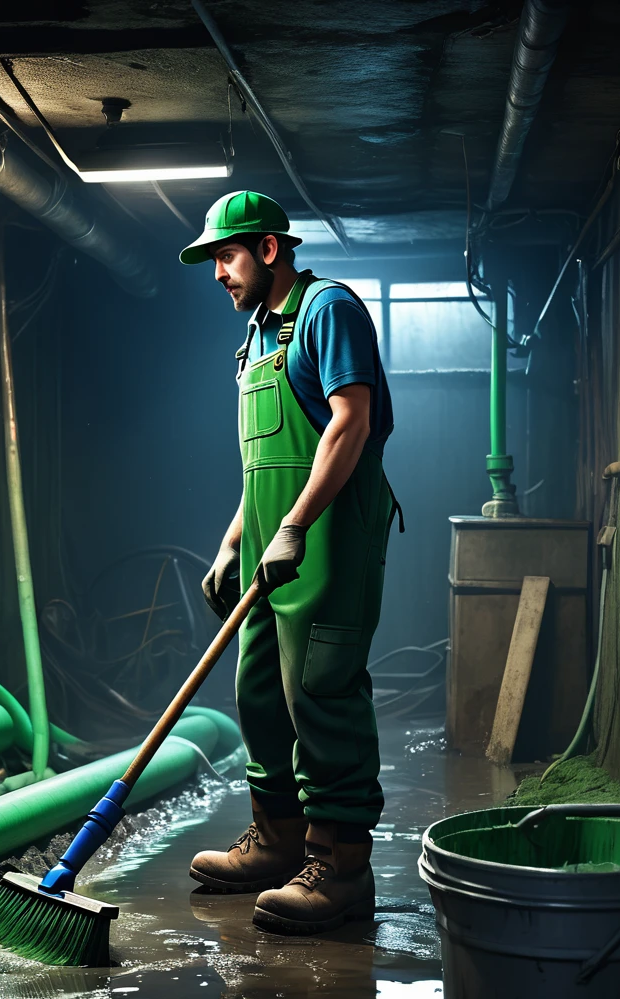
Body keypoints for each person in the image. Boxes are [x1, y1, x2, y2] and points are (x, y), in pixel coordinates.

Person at [178, 190, 401, 935]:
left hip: (327, 544)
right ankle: (275, 841)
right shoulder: (256, 339)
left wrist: (297, 525)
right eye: (213, 259)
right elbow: (264, 463)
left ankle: (340, 868)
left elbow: (352, 422)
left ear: (269, 250)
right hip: (275, 550)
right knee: (261, 695)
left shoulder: (325, 312)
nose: (217, 273)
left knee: (320, 694)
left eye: (227, 256)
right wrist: (237, 538)